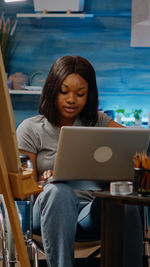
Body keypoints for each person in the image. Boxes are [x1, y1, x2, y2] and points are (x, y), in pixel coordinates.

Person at [16, 55, 143, 267]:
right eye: (64, 91)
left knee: (126, 200)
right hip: (46, 210)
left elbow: (134, 145)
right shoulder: (31, 128)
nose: (71, 99)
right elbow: (21, 188)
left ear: (89, 95)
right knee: (59, 191)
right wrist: (45, 182)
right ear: (51, 89)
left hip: (88, 211)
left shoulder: (100, 122)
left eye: (80, 93)